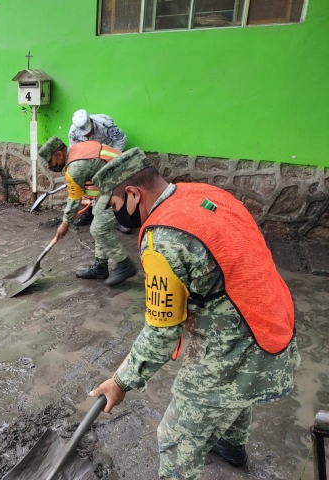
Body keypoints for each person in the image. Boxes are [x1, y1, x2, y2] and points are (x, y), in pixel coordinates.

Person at [89, 147, 300, 479]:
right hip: (274, 317)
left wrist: (120, 382)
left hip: (238, 339)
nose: (116, 216)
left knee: (175, 440)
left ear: (133, 194)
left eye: (115, 206)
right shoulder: (202, 193)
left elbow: (162, 332)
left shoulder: (164, 240)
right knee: (236, 393)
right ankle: (230, 446)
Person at [38, 136, 137, 287]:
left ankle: (125, 264)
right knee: (99, 219)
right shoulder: (77, 150)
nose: (49, 166)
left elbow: (73, 201)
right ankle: (100, 267)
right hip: (118, 180)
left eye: (50, 161)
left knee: (98, 228)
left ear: (59, 154)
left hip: (124, 184)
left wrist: (65, 224)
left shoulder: (76, 167)